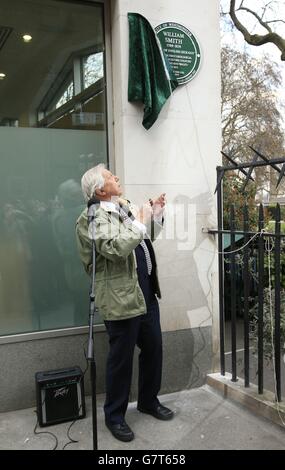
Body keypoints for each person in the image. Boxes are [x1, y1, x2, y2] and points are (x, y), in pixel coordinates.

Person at [75, 163, 173, 442]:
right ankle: (115, 416)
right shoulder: (90, 218)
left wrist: (153, 215)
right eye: (109, 176)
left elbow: (144, 237)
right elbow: (117, 248)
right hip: (120, 298)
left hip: (145, 293)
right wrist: (140, 219)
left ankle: (148, 401)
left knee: (154, 348)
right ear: (100, 189)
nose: (116, 177)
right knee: (121, 359)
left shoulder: (122, 206)